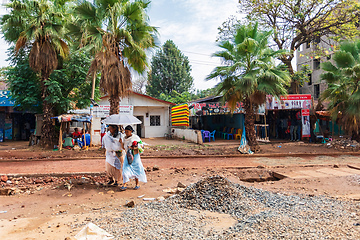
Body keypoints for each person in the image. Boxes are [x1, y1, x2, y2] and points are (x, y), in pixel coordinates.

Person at [120, 125, 146, 191]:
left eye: (127, 131)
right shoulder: (124, 138)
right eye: (125, 132)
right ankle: (124, 184)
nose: (126, 133)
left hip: (135, 156)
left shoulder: (135, 137)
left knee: (136, 169)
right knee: (125, 169)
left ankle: (137, 184)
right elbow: (123, 148)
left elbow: (141, 146)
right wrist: (121, 143)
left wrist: (133, 147)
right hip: (128, 156)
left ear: (131, 131)